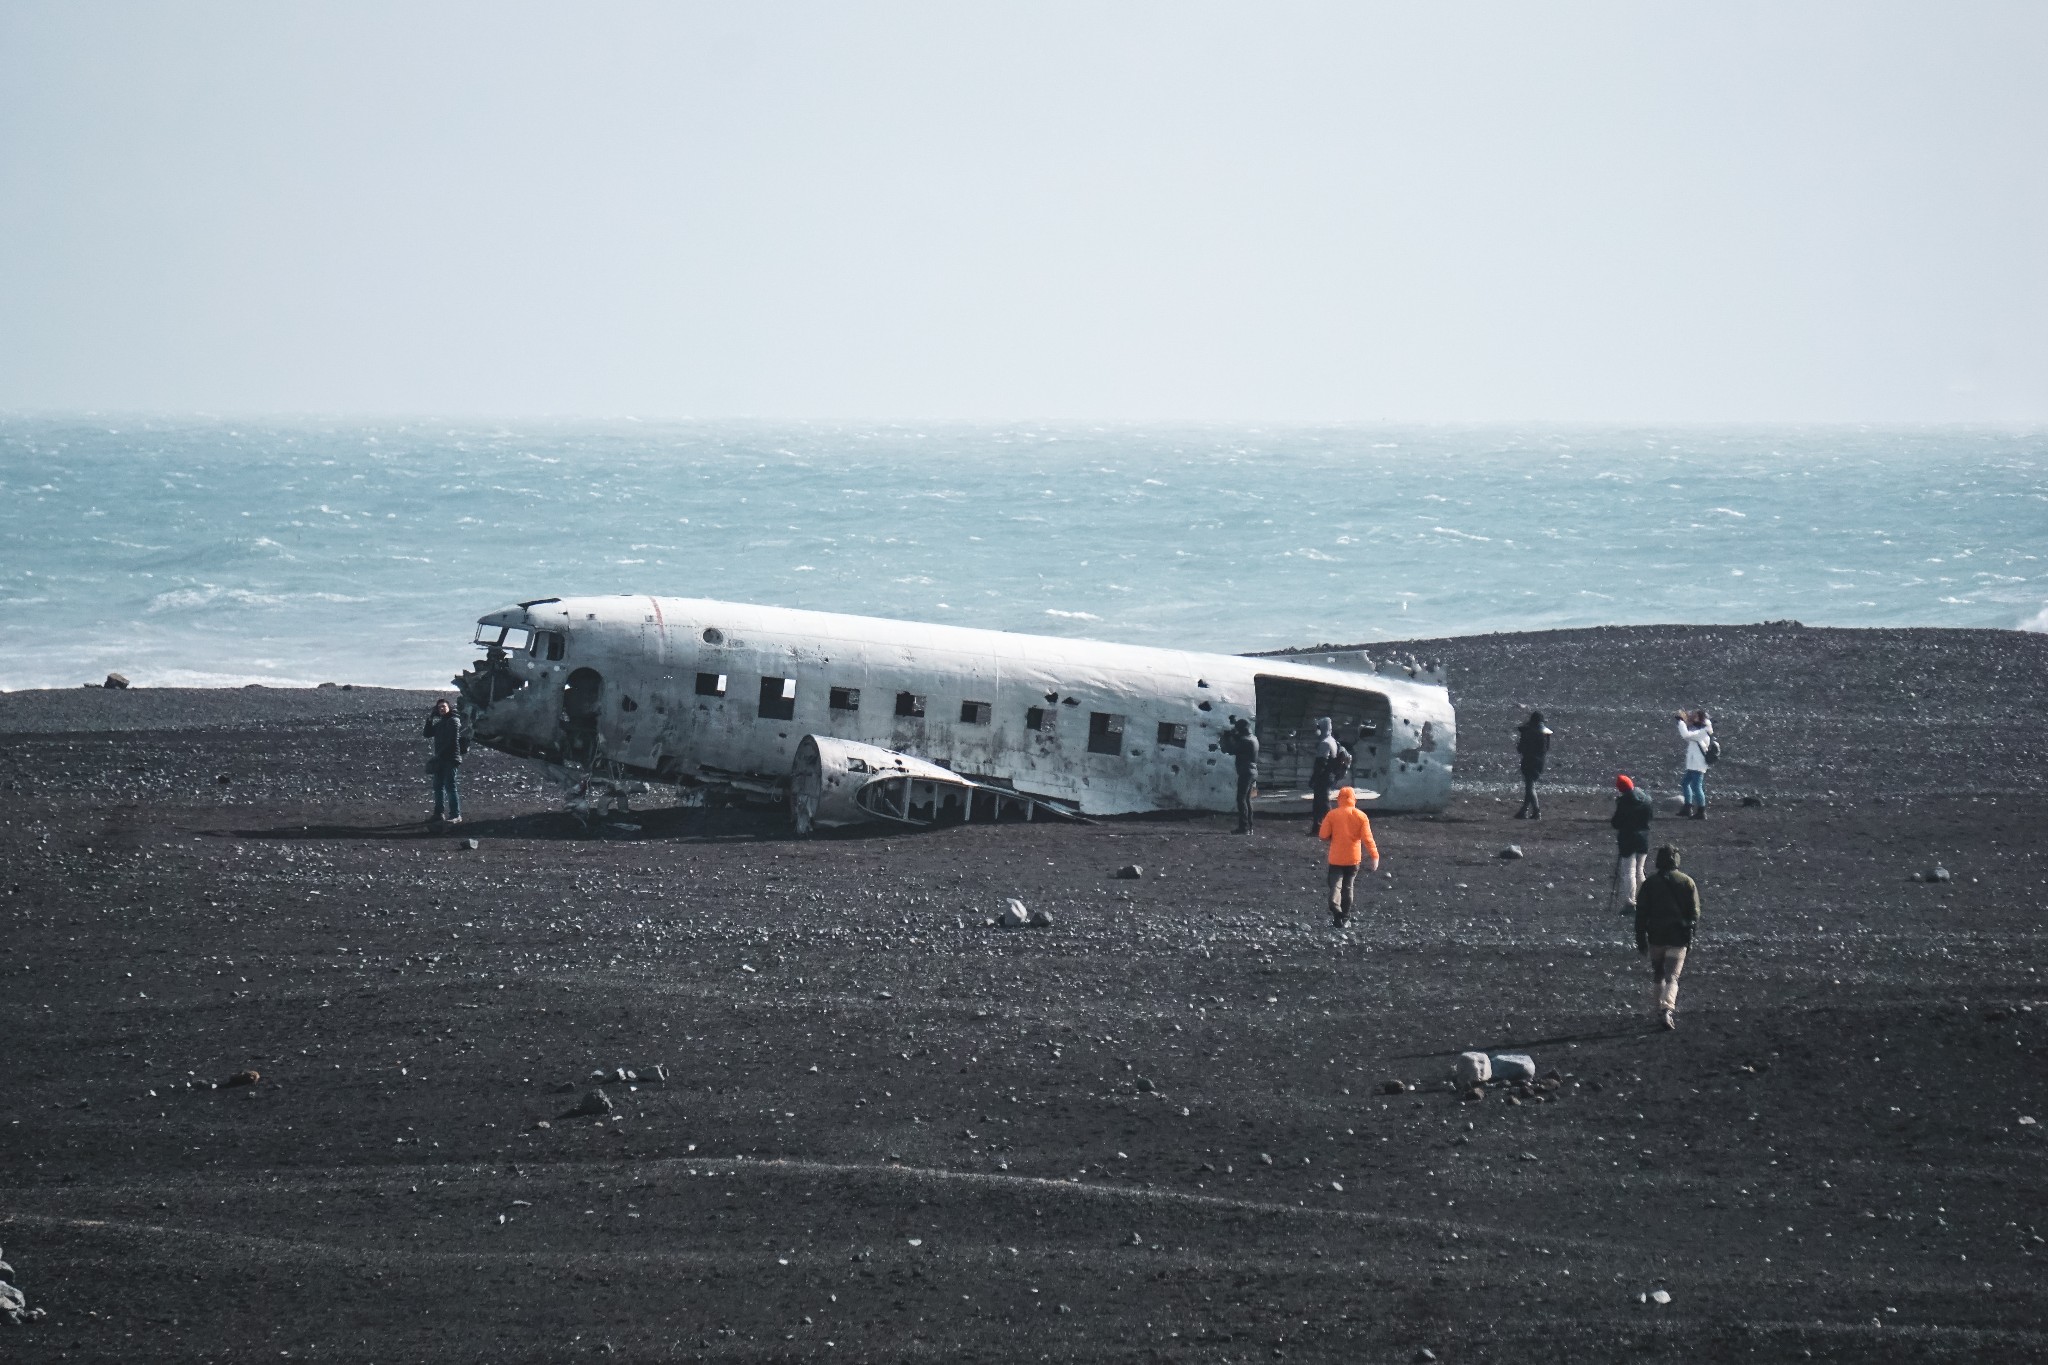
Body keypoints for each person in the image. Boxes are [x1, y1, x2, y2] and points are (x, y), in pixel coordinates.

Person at [1633, 844, 1701, 1030]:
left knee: (1658, 974)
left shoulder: (1650, 884)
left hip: (1656, 936)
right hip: (1678, 937)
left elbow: (1641, 913)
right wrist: (1690, 933)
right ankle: (1667, 1009)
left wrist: (1640, 938)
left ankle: (1657, 1009)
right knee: (1673, 976)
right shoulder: (1687, 882)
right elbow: (1694, 913)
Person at [1317, 786, 1379, 927]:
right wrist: (1374, 856)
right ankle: (1344, 917)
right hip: (1353, 859)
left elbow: (1323, 835)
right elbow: (1368, 839)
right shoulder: (1361, 816)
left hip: (1336, 858)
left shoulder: (1332, 815)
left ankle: (1336, 909)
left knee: (1335, 887)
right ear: (1354, 799)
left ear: (1339, 799)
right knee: (1348, 887)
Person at [1609, 773, 1653, 910]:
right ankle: (1645, 899)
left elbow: (1616, 823)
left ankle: (1630, 902)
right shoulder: (1645, 799)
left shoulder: (1624, 803)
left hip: (1628, 840)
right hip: (1643, 839)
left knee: (1629, 872)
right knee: (1640, 871)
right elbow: (1650, 817)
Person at [423, 698, 468, 825]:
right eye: (439, 707)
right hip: (441, 759)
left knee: (450, 786)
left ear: (449, 707)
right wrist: (430, 719)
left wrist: (438, 755)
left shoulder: (453, 721)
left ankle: (455, 814)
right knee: (438, 786)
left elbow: (452, 741)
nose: (441, 709)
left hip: (451, 758)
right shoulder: (440, 724)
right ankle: (439, 813)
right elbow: (427, 733)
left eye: (444, 706)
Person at [1307, 717, 1352, 833]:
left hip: (1324, 777)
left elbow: (1321, 764)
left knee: (1323, 804)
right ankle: (1317, 828)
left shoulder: (1324, 743)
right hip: (1329, 776)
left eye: (1319, 727)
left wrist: (1313, 779)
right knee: (1319, 802)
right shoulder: (1332, 740)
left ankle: (1333, 829)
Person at [1218, 716, 1259, 834]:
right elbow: (1240, 739)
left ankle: (1244, 827)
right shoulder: (1253, 738)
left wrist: (1227, 736)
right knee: (1247, 800)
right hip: (1252, 771)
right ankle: (1249, 827)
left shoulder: (1245, 741)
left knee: (1241, 799)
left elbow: (1230, 750)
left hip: (1246, 771)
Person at [1514, 710, 1553, 819]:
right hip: (1540, 762)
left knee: (1530, 786)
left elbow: (1521, 748)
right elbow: (1547, 749)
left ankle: (1536, 811)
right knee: (1530, 786)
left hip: (1529, 761)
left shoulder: (1528, 732)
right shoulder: (1545, 735)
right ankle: (1524, 810)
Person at [1676, 708, 1714, 819]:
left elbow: (1686, 736)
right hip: (1694, 762)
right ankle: (1688, 807)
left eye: (1696, 716)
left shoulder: (1703, 732)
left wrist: (1681, 722)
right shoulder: (1700, 730)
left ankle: (1701, 811)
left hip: (1698, 763)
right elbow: (1688, 735)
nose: (1693, 717)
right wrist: (1683, 722)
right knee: (1685, 783)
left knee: (1696, 786)